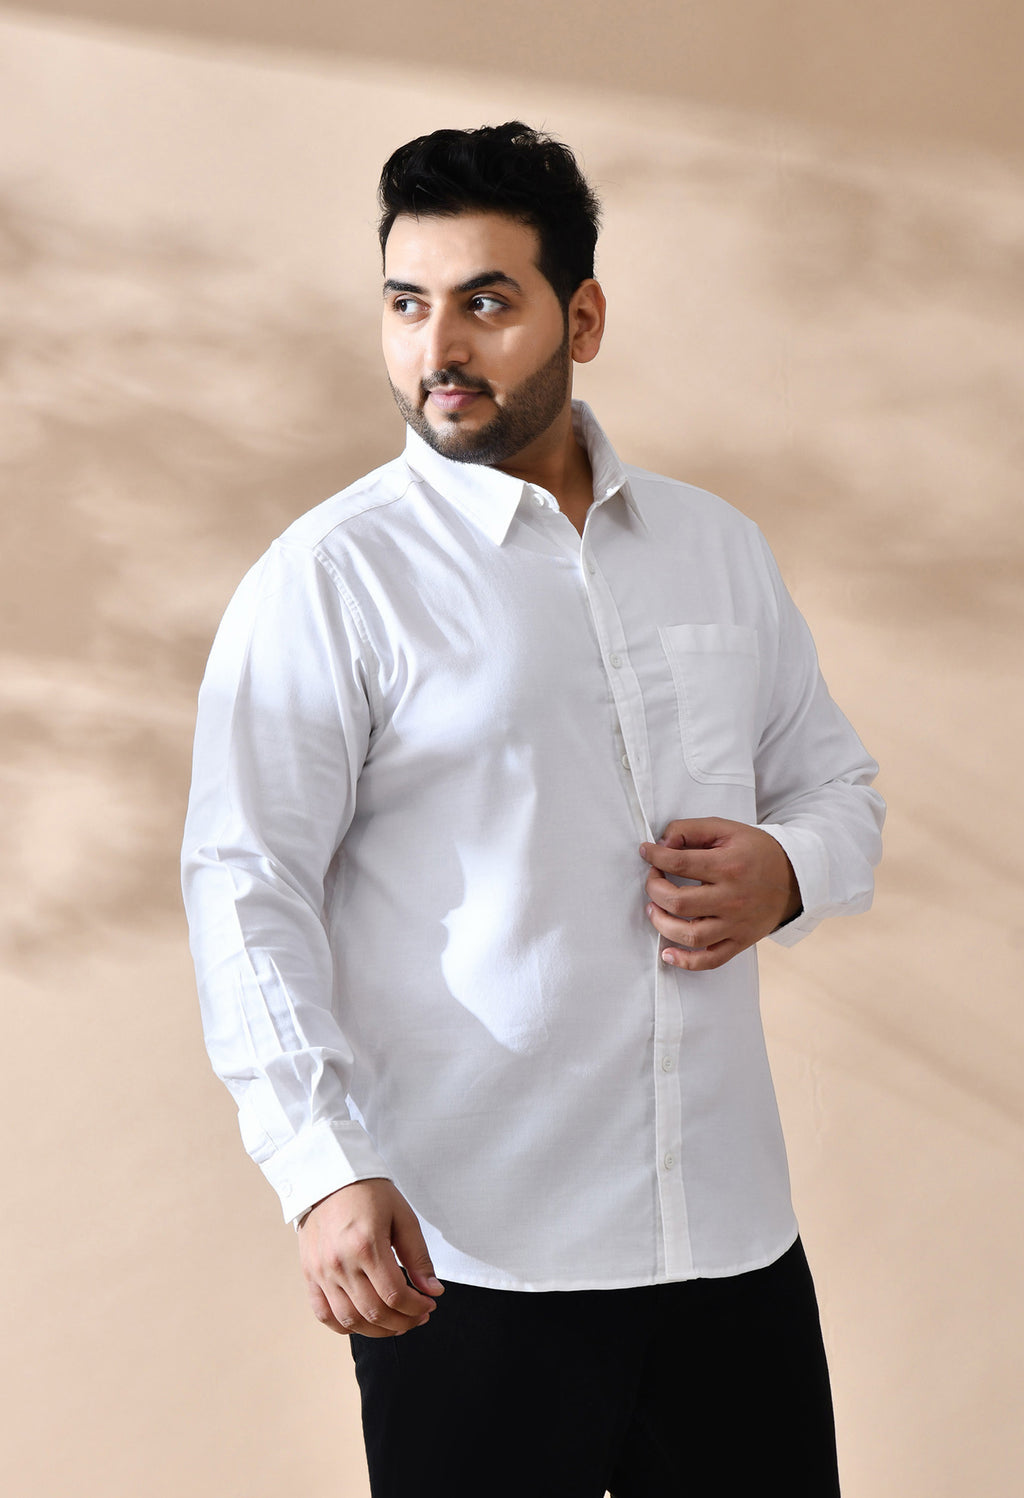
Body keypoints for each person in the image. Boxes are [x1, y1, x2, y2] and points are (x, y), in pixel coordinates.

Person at [182, 122, 884, 1497]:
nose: (437, 348)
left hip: (727, 1242)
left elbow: (836, 786)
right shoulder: (331, 577)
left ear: (585, 318)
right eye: (406, 304)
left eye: (486, 302)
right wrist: (319, 1165)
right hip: (471, 1262)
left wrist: (789, 870)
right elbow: (243, 880)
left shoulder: (715, 549)